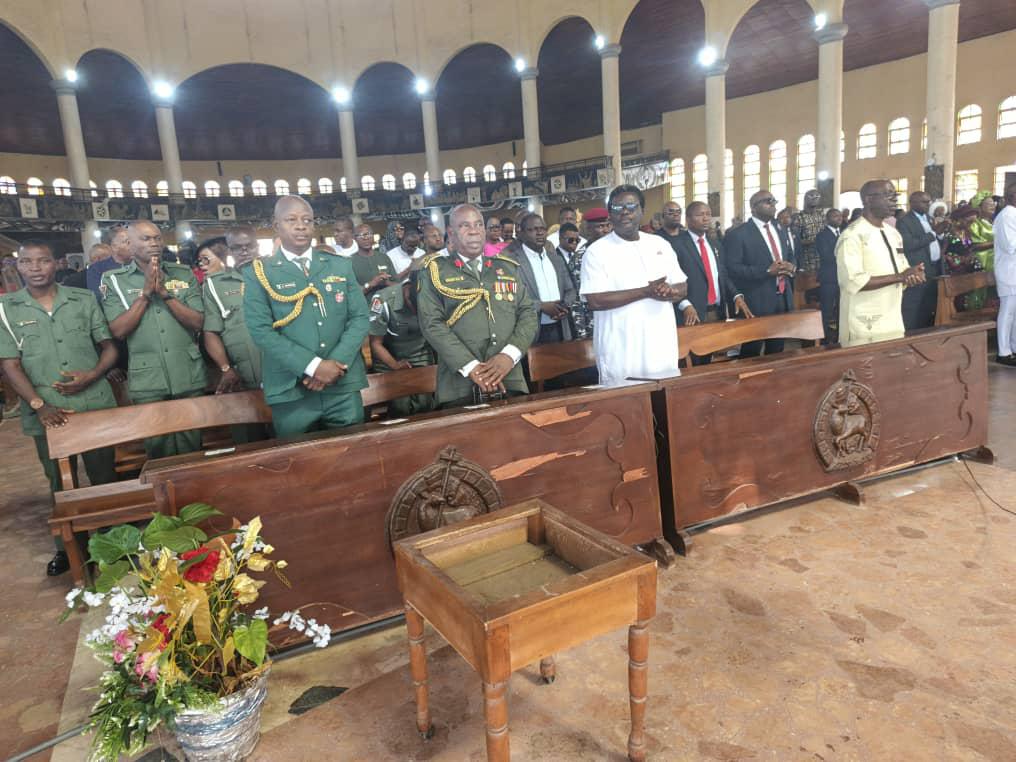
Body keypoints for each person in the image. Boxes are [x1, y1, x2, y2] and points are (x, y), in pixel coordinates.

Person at [0, 241, 119, 576]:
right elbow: (10, 365)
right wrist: (39, 405)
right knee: (58, 481)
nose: (35, 268)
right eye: (27, 262)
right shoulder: (7, 308)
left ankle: (111, 543)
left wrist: (92, 375)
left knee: (103, 478)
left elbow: (108, 348)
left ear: (56, 264)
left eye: (42, 261)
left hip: (93, 404)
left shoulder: (82, 300)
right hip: (45, 411)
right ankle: (68, 548)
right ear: (18, 266)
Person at [243, 196, 369, 435]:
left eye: (307, 220)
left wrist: (334, 365)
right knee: (299, 464)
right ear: (276, 225)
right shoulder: (259, 273)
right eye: (291, 220)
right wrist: (313, 366)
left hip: (341, 384)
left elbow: (360, 318)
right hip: (291, 389)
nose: (301, 226)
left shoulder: (339, 265)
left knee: (353, 461)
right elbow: (260, 330)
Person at [101, 221, 206, 458]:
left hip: (186, 371)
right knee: (158, 448)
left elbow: (198, 322)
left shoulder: (182, 273)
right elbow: (118, 330)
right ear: (129, 243)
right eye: (146, 239)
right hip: (148, 378)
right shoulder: (115, 280)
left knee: (193, 444)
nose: (154, 244)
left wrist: (166, 295)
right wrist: (146, 294)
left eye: (157, 238)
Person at [417, 203, 537, 408]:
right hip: (459, 385)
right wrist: (473, 368)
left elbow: (528, 313)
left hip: (510, 378)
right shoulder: (434, 271)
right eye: (465, 225)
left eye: (478, 224)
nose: (473, 231)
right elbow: (432, 324)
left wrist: (509, 356)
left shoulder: (507, 268)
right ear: (451, 233)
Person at [580, 185, 687, 385]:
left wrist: (670, 291)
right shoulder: (597, 251)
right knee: (627, 407)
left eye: (631, 206)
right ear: (610, 214)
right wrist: (646, 292)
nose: (625, 212)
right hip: (621, 345)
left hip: (659, 342)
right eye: (618, 207)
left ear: (642, 211)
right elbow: (595, 300)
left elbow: (682, 287)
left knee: (665, 403)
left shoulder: (660, 244)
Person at [836, 180, 924, 347]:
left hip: (893, 318)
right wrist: (900, 276)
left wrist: (913, 274)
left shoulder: (893, 233)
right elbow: (852, 280)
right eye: (888, 195)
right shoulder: (852, 235)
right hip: (864, 323)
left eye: (895, 195)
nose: (894, 200)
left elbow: (902, 269)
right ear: (868, 200)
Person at [202, 226, 266, 445]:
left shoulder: (277, 275)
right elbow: (211, 332)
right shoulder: (215, 284)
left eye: (249, 246)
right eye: (237, 248)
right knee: (248, 446)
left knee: (290, 441)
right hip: (242, 380)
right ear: (228, 251)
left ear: (258, 247)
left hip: (283, 377)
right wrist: (226, 369)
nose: (244, 252)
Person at [674, 201, 752, 364]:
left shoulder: (715, 244)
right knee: (691, 361)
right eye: (700, 215)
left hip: (715, 311)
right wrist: (685, 304)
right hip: (691, 312)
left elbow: (722, 274)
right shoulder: (677, 244)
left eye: (708, 214)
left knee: (707, 360)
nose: (705, 218)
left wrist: (736, 295)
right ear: (688, 219)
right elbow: (672, 279)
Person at [724, 190, 797, 357]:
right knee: (752, 352)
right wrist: (765, 270)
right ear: (753, 208)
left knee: (777, 349)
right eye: (767, 201)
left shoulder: (780, 229)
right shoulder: (739, 234)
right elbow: (732, 268)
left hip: (783, 297)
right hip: (756, 300)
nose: (773, 204)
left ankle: (773, 381)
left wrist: (791, 267)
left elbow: (791, 255)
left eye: (773, 200)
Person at [368, 269, 436, 416]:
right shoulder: (383, 299)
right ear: (407, 290)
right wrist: (395, 365)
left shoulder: (435, 295)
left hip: (419, 351)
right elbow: (375, 344)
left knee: (425, 403)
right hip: (388, 354)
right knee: (401, 406)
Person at [505, 213, 575, 345]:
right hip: (531, 330)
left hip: (560, 326)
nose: (539, 233)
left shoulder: (556, 259)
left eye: (542, 229)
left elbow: (570, 289)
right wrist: (541, 306)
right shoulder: (512, 261)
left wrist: (564, 306)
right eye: (533, 230)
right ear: (522, 233)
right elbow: (510, 297)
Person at [898, 191, 948, 329]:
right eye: (924, 202)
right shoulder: (904, 221)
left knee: (929, 304)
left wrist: (941, 233)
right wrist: (933, 234)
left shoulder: (929, 218)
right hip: (918, 268)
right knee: (914, 306)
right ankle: (910, 335)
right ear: (913, 203)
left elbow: (936, 239)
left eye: (928, 201)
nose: (928, 205)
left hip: (934, 267)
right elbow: (909, 245)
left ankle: (925, 334)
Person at [993, 183, 1016, 365]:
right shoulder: (1006, 216)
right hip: (1009, 271)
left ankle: (1013, 347)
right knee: (1007, 311)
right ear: (1011, 196)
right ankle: (1003, 352)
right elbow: (1009, 245)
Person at [815, 208, 843, 344]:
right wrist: (845, 256)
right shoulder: (822, 236)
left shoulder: (843, 233)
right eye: (835, 216)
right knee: (826, 310)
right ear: (827, 219)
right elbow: (826, 256)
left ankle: (839, 336)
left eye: (840, 216)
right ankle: (824, 338)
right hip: (829, 278)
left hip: (842, 277)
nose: (839, 218)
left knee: (841, 308)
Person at [88, 225, 132, 297]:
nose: (133, 246)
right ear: (114, 247)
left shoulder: (140, 264)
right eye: (127, 242)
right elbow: (99, 296)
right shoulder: (97, 269)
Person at [351, 223, 395, 296]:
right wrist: (372, 283)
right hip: (365, 306)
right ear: (354, 238)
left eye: (369, 234)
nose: (366, 238)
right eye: (361, 235)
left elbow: (397, 285)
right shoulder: (350, 262)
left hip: (388, 304)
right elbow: (352, 293)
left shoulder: (384, 257)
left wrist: (387, 283)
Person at [791, 189, 826, 277]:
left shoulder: (822, 216)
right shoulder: (798, 217)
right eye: (811, 196)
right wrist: (813, 241)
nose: (814, 198)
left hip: (822, 260)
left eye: (817, 196)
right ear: (805, 199)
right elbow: (794, 242)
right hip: (806, 262)